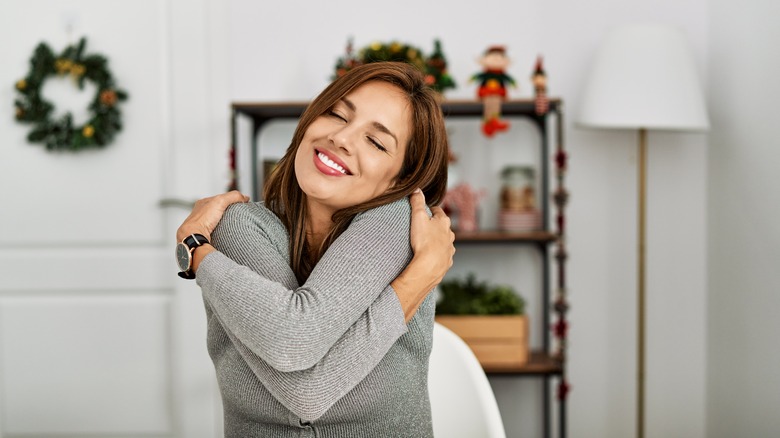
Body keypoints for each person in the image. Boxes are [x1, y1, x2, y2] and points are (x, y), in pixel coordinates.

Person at [175, 61, 455, 437]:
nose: (342, 138)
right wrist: (415, 282)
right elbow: (301, 369)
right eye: (337, 114)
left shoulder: (397, 221)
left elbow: (305, 385)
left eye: (376, 141)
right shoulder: (238, 225)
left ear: (401, 179)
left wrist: (199, 254)